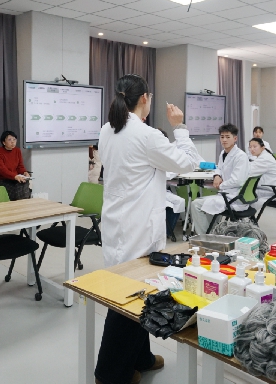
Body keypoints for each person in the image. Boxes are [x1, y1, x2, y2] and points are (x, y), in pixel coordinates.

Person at [95, 74, 202, 384]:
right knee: (130, 298)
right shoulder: (147, 135)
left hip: (117, 224)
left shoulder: (107, 129)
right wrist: (180, 127)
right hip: (138, 228)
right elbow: (189, 163)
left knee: (141, 294)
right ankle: (109, 375)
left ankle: (141, 357)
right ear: (144, 98)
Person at [189, 124, 250, 235]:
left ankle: (205, 236)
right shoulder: (223, 153)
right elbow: (219, 168)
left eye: (227, 137)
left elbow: (237, 181)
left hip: (234, 197)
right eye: (222, 137)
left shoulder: (240, 156)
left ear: (235, 138)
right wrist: (217, 176)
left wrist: (220, 185)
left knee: (196, 204)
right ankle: (213, 233)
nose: (224, 140)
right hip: (225, 195)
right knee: (206, 204)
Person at [0, 130, 31, 201]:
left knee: (24, 182)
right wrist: (14, 176)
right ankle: (20, 203)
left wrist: (24, 172)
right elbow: (2, 170)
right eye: (9, 140)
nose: (12, 142)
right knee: (18, 189)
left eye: (14, 139)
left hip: (15, 178)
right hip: (3, 179)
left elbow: (20, 166)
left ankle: (22, 203)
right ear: (4, 142)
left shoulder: (17, 150)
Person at [248, 138, 276, 208]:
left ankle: (241, 213)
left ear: (262, 147)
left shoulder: (264, 158)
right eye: (250, 147)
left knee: (242, 193)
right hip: (270, 188)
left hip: (272, 191)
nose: (252, 149)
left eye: (254, 147)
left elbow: (249, 172)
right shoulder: (263, 156)